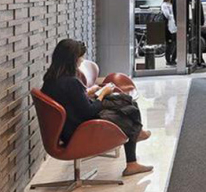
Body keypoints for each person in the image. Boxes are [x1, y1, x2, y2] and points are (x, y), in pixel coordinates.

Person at [41, 39, 152, 177]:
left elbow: (69, 100)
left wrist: (88, 93)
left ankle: (136, 139)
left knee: (125, 102)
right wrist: (102, 94)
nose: (82, 60)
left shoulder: (50, 79)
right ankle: (134, 148)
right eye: (80, 57)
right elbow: (89, 112)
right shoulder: (71, 82)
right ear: (72, 59)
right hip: (80, 129)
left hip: (67, 127)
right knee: (128, 112)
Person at [191, 0, 206, 69]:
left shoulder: (194, 1)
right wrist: (201, 23)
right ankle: (199, 61)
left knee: (197, 43)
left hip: (195, 24)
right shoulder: (196, 1)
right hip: (195, 25)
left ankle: (200, 60)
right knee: (197, 44)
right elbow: (200, 14)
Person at [160, 0, 177, 66]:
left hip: (175, 26)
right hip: (168, 27)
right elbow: (167, 15)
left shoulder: (174, 4)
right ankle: (168, 60)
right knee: (169, 44)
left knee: (176, 43)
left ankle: (173, 59)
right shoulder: (164, 5)